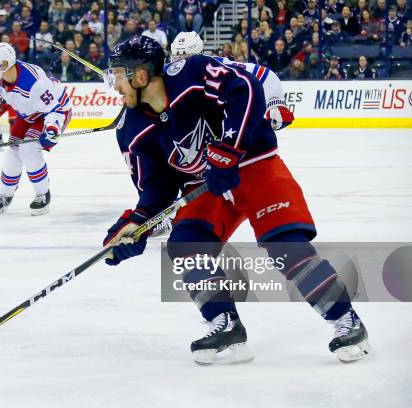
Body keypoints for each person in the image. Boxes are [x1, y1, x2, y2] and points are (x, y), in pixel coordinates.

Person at [102, 35, 371, 364]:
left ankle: (345, 319)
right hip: (207, 186)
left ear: (140, 75)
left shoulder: (192, 72)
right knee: (186, 245)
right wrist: (137, 222)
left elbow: (244, 90)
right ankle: (225, 324)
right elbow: (157, 187)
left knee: (286, 246)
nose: (113, 84)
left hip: (254, 163)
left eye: (117, 74)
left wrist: (228, 150)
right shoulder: (130, 129)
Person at [0, 42, 72, 216]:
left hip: (54, 112)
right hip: (28, 113)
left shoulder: (33, 82)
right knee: (13, 150)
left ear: (5, 63)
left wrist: (52, 129)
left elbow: (54, 109)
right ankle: (5, 196)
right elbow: (3, 93)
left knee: (28, 149)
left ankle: (42, 194)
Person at [171, 31, 294, 131]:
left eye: (185, 56)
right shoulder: (166, 74)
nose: (180, 62)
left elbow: (263, 74)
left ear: (200, 54)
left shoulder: (216, 66)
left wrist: (275, 102)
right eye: (177, 56)